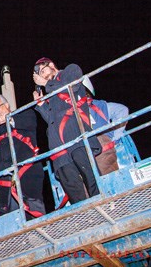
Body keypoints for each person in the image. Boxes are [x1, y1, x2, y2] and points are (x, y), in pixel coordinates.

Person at [32, 58, 102, 205]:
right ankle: (85, 216)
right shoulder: (52, 91)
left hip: (76, 134)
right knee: (72, 188)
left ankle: (107, 205)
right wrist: (41, 104)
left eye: (43, 71)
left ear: (51, 65)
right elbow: (51, 119)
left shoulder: (70, 70)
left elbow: (72, 87)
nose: (42, 77)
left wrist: (45, 84)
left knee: (92, 178)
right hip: (58, 145)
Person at [82, 76, 129, 175]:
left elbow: (122, 110)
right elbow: (122, 110)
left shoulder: (96, 105)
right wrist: (115, 138)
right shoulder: (99, 105)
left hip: (97, 150)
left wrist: (113, 138)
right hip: (97, 150)